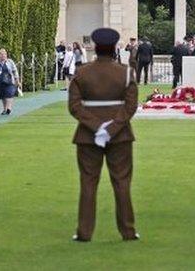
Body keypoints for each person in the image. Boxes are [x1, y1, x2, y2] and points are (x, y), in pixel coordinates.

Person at [68, 27, 139, 242]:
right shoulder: (126, 72)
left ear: (96, 48)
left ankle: (84, 232)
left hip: (88, 136)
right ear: (114, 48)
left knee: (88, 183)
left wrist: (97, 127)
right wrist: (110, 128)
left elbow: (74, 106)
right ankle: (128, 231)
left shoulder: (82, 72)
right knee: (122, 183)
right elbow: (130, 106)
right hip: (120, 136)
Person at [0, 49, 20, 115]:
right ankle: (5, 109)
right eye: (1, 54)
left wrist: (17, 80)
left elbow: (15, 70)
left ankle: (9, 108)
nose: (3, 56)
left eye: (4, 54)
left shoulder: (10, 62)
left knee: (9, 93)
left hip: (9, 81)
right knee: (3, 96)